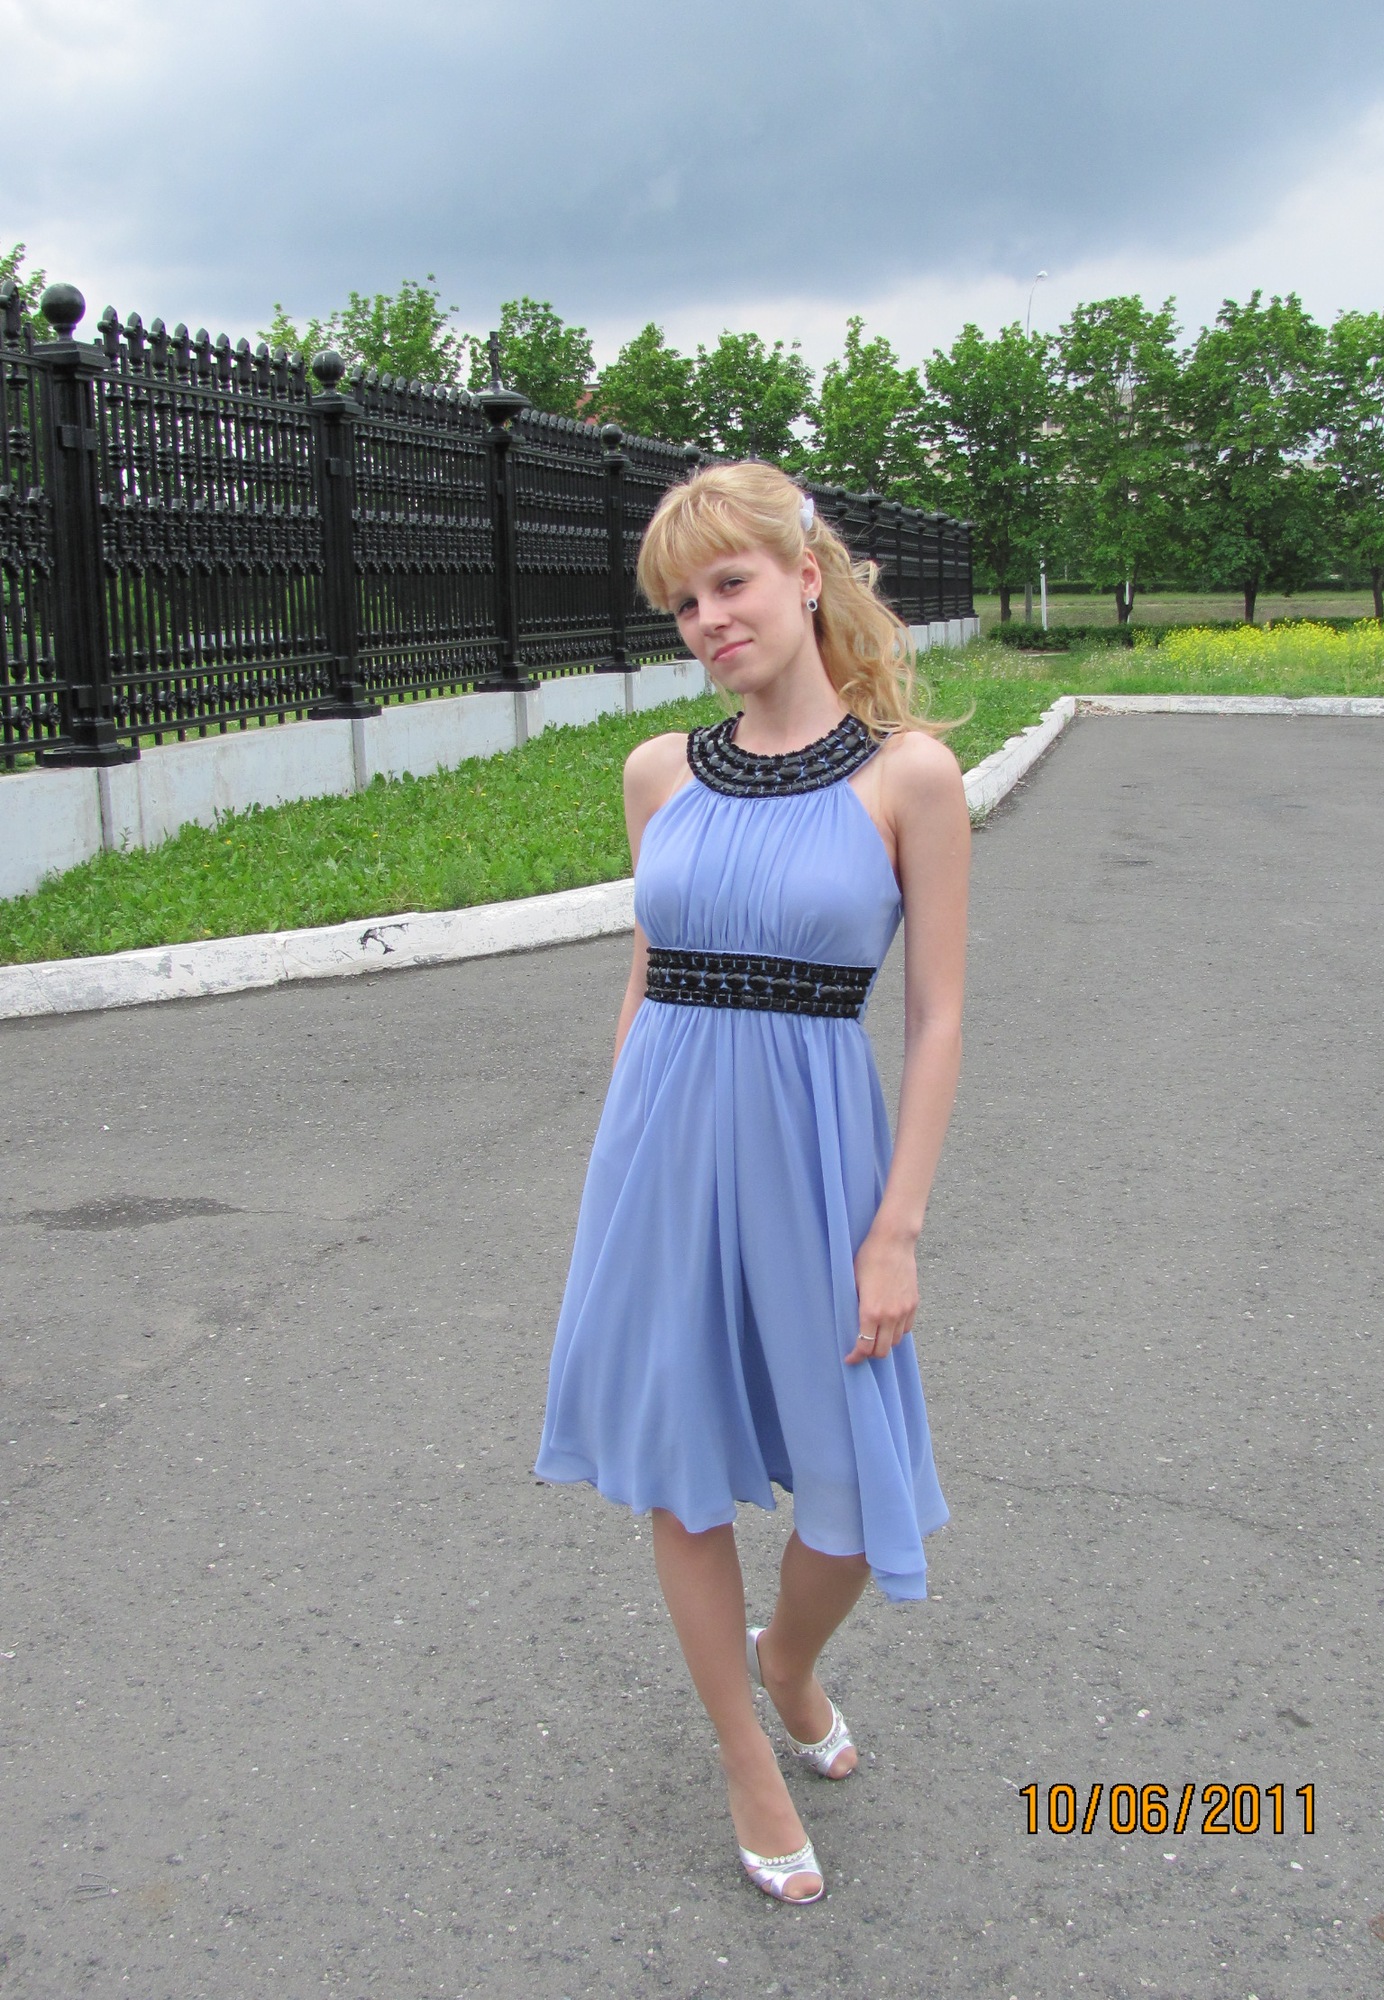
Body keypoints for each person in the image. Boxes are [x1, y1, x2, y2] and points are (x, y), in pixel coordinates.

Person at [535, 460, 970, 1904]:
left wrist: (897, 1228)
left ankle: (789, 1658)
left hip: (817, 1165)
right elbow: (648, 975)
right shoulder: (656, 773)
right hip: (663, 1158)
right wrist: (619, 1161)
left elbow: (937, 1018)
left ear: (803, 575)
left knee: (846, 1491)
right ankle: (743, 1752)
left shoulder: (907, 776)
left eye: (729, 583)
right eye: (682, 603)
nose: (708, 619)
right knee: (684, 1468)